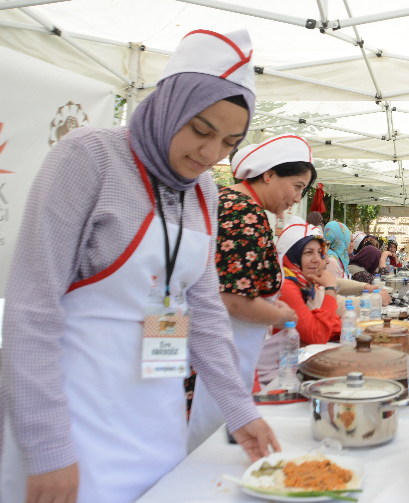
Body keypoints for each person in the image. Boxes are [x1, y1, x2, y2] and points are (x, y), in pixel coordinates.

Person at [0, 29, 280, 503]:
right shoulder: (89, 157)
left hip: (156, 411)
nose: (210, 155)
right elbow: (32, 309)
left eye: (229, 142)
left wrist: (239, 409)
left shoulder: (204, 192)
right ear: (167, 104)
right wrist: (49, 449)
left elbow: (206, 312)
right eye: (200, 130)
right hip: (73, 419)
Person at [187, 132, 314, 452]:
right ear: (269, 174)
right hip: (216, 351)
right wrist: (282, 314)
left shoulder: (233, 204)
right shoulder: (244, 212)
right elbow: (232, 299)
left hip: (224, 349)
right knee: (206, 452)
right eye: (297, 186)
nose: (297, 199)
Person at [275, 217, 341, 345]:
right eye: (308, 252)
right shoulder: (286, 286)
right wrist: (331, 288)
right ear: (292, 255)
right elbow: (317, 336)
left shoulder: (304, 283)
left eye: (319, 252)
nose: (317, 259)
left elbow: (330, 324)